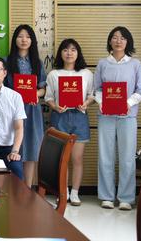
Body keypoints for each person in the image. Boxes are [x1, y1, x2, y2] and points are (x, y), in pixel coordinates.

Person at [94, 26, 141, 210]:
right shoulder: (103, 63)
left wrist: (128, 103)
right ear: (110, 41)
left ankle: (126, 198)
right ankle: (106, 196)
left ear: (127, 42)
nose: (118, 41)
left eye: (123, 38)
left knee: (127, 157)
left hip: (128, 116)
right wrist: (102, 101)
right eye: (115, 37)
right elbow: (96, 89)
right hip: (106, 116)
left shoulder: (135, 64)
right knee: (105, 156)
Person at [45, 39, 94, 206]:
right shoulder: (54, 74)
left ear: (78, 53)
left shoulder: (86, 73)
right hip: (60, 116)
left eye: (73, 50)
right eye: (65, 50)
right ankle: (63, 191)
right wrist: (55, 107)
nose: (69, 53)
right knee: (61, 159)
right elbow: (48, 97)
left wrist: (86, 103)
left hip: (80, 117)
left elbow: (92, 94)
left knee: (77, 158)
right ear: (60, 53)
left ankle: (75, 193)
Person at [5, 24, 46, 188]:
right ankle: (14, 189)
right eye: (20, 36)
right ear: (15, 39)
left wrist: (36, 94)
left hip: (32, 109)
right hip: (11, 110)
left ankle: (27, 189)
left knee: (31, 149)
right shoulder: (6, 61)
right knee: (14, 148)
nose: (24, 40)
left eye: (28, 37)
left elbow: (43, 88)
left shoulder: (37, 63)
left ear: (32, 41)